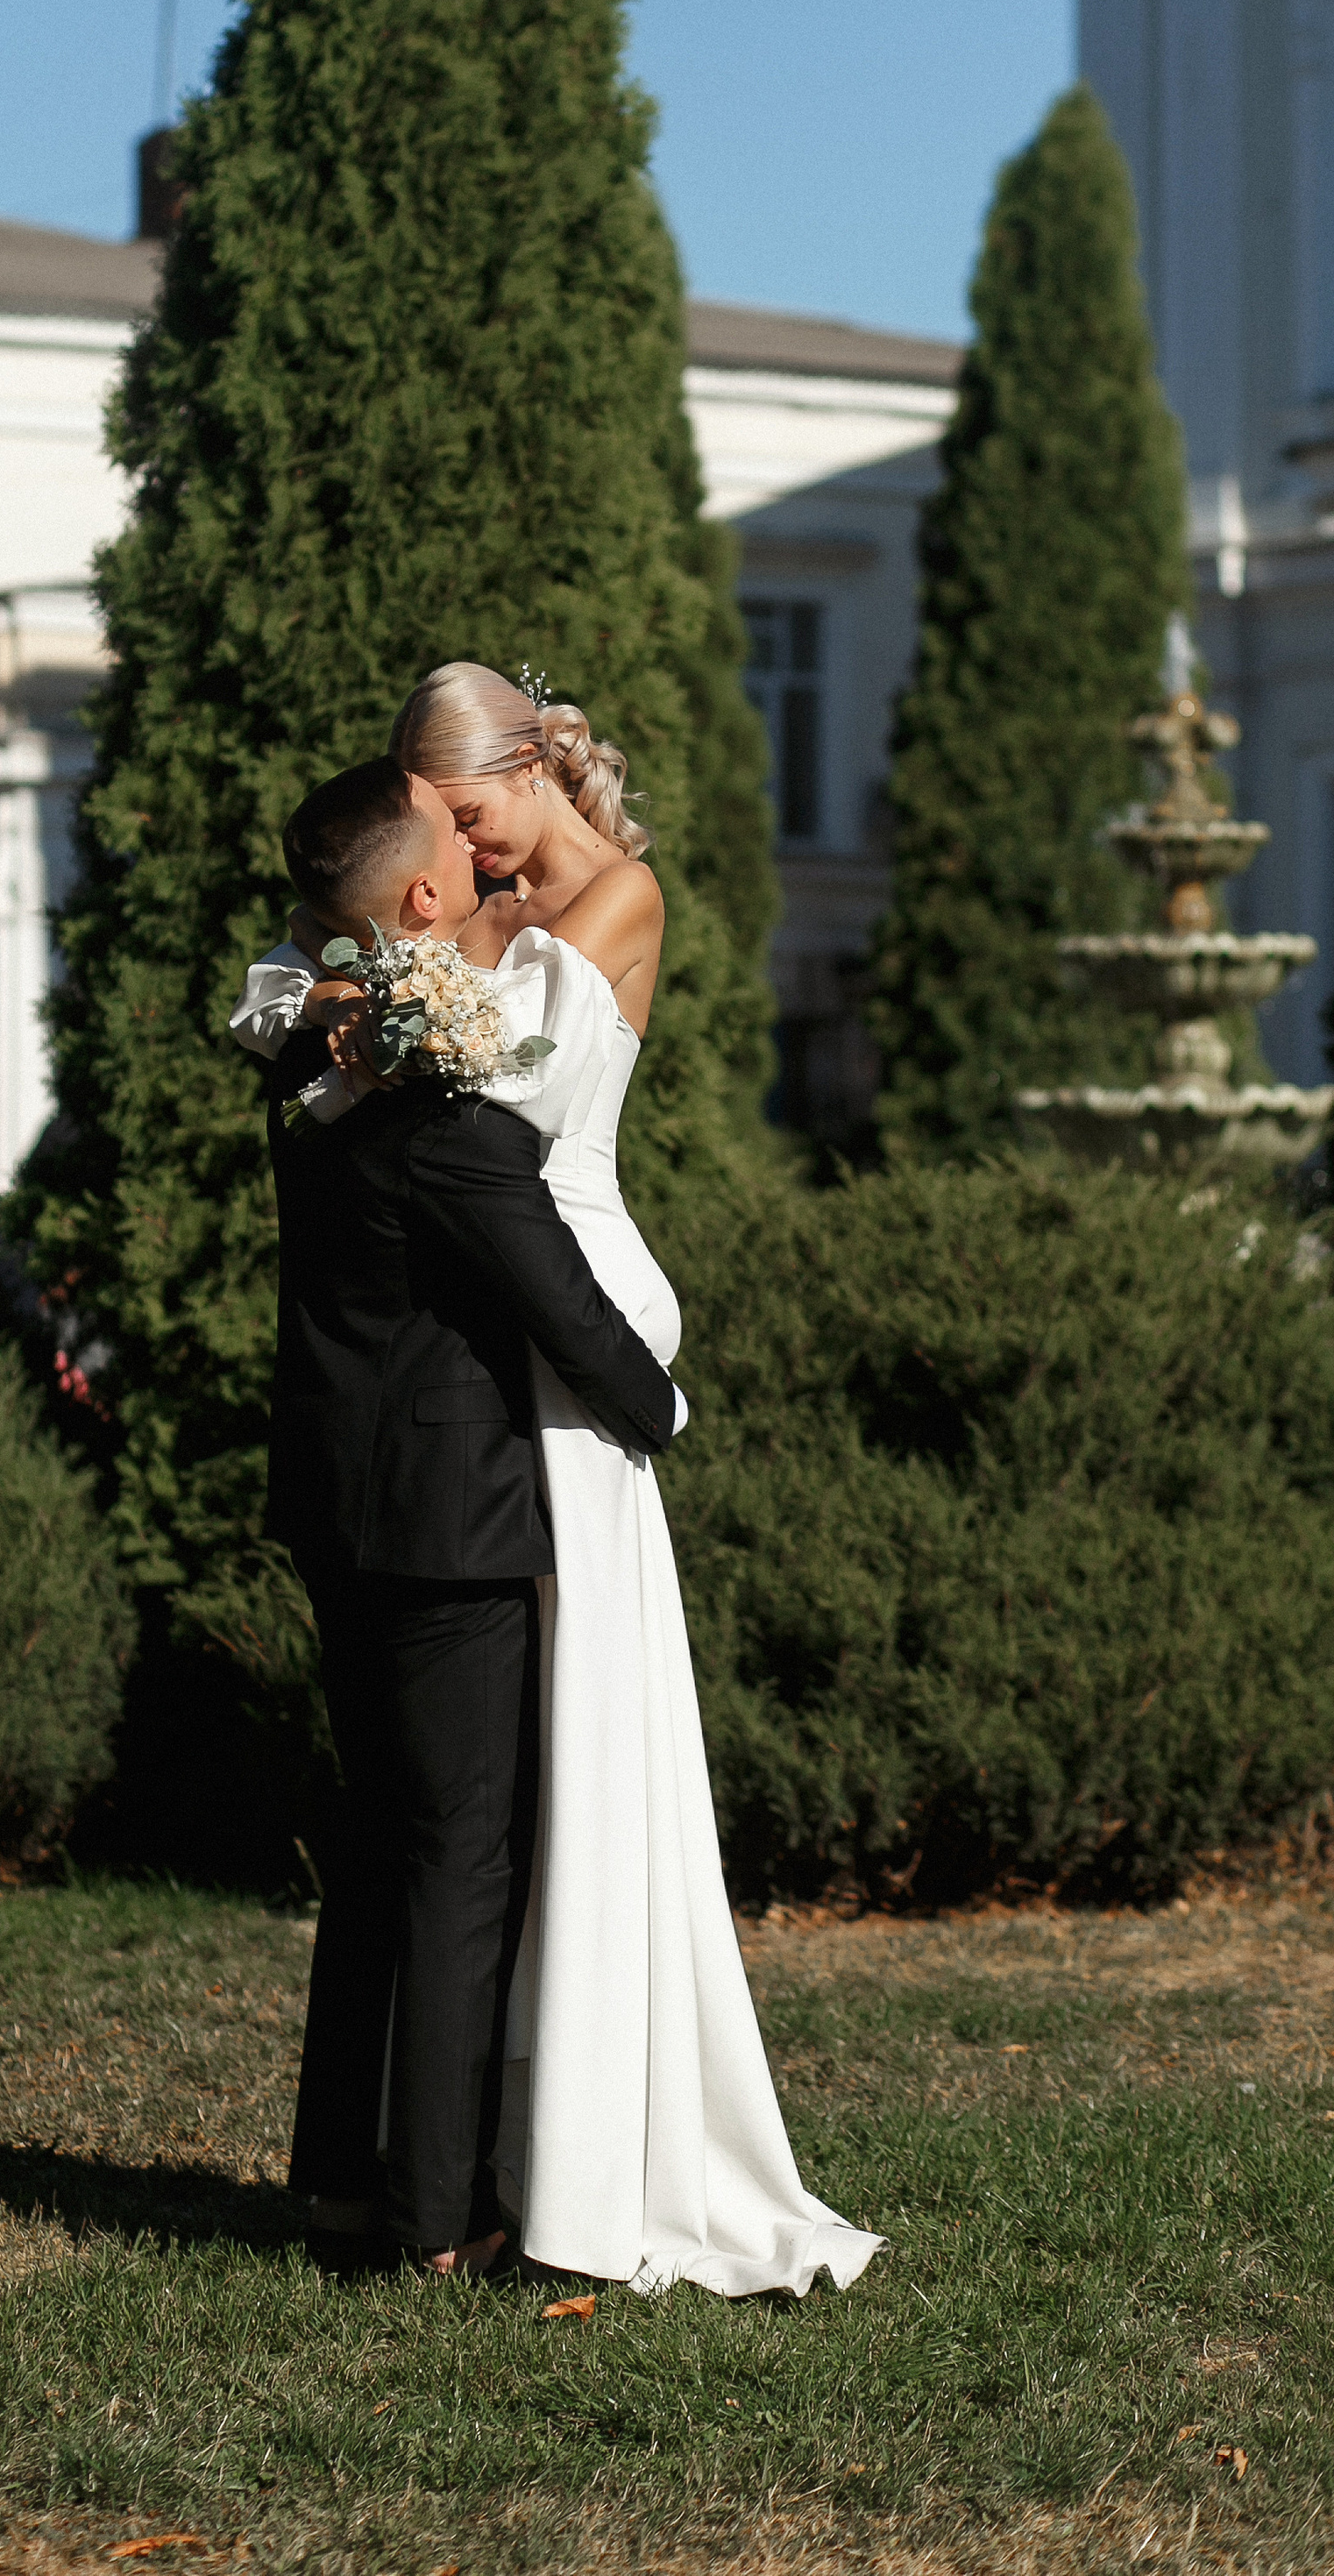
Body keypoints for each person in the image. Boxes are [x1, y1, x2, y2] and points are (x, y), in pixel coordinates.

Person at [235, 665, 879, 2300]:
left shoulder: (597, 913)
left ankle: (528, 2154)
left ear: (517, 773)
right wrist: (356, 983)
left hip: (554, 1331)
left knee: (515, 1786)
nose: (455, 857)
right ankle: (461, 2177)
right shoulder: (430, 963)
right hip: (492, 1363)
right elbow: (376, 1026)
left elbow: (483, 1093)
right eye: (434, 836)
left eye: (456, 817)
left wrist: (371, 985)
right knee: (460, 1817)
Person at [256, 755, 683, 2280]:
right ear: (426, 897)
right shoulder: (445, 1104)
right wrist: (662, 1408)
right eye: (456, 839)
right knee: (461, 1858)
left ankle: (341, 2186)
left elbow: (284, 1001)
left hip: (329, 1498)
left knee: (377, 1843)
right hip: (451, 1518)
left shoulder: (313, 1063)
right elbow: (549, 1290)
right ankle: (436, 2220)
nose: (488, 855)